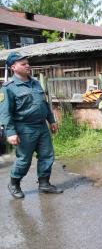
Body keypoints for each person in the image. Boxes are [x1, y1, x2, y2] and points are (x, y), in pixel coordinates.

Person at [0, 52, 63, 199]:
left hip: (42, 126)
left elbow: (44, 103)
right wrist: (10, 132)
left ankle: (44, 184)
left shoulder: (35, 82)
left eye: (28, 63)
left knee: (47, 155)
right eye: (23, 64)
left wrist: (52, 120)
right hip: (24, 128)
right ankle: (14, 183)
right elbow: (4, 112)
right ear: (13, 67)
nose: (28, 65)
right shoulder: (8, 88)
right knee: (24, 159)